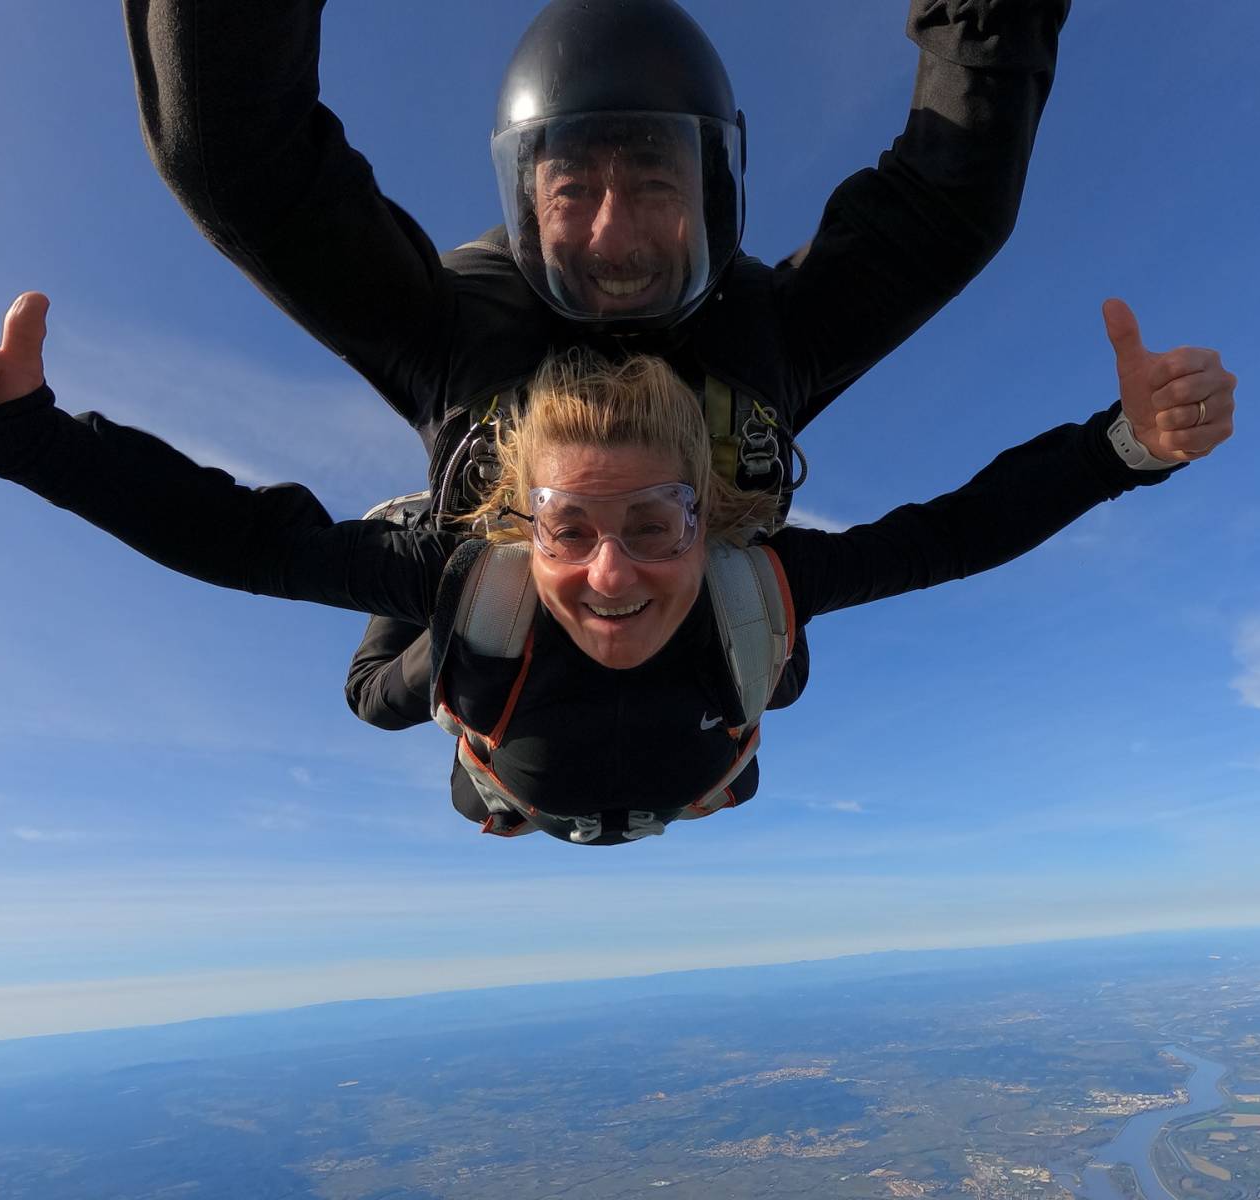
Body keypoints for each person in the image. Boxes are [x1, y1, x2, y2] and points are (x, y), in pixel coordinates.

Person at [0, 292, 1236, 845]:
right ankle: (511, 732)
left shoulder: (744, 585)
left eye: (656, 524)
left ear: (707, 523)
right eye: (572, 532)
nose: (610, 575)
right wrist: (23, 442)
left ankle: (616, 759)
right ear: (523, 528)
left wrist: (1127, 445)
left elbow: (949, 537)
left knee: (757, 674)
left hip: (671, 756)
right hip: (515, 726)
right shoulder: (469, 576)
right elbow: (238, 536)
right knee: (379, 685)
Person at [123, 0, 1075, 730]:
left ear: (711, 198)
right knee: (762, 664)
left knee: (424, 673)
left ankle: (468, 584)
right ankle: (484, 587)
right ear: (527, 207)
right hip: (590, 683)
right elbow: (954, 210)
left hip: (561, 685)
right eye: (573, 187)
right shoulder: (463, 328)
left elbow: (237, 159)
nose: (614, 235)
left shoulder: (745, 337)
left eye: (655, 181)